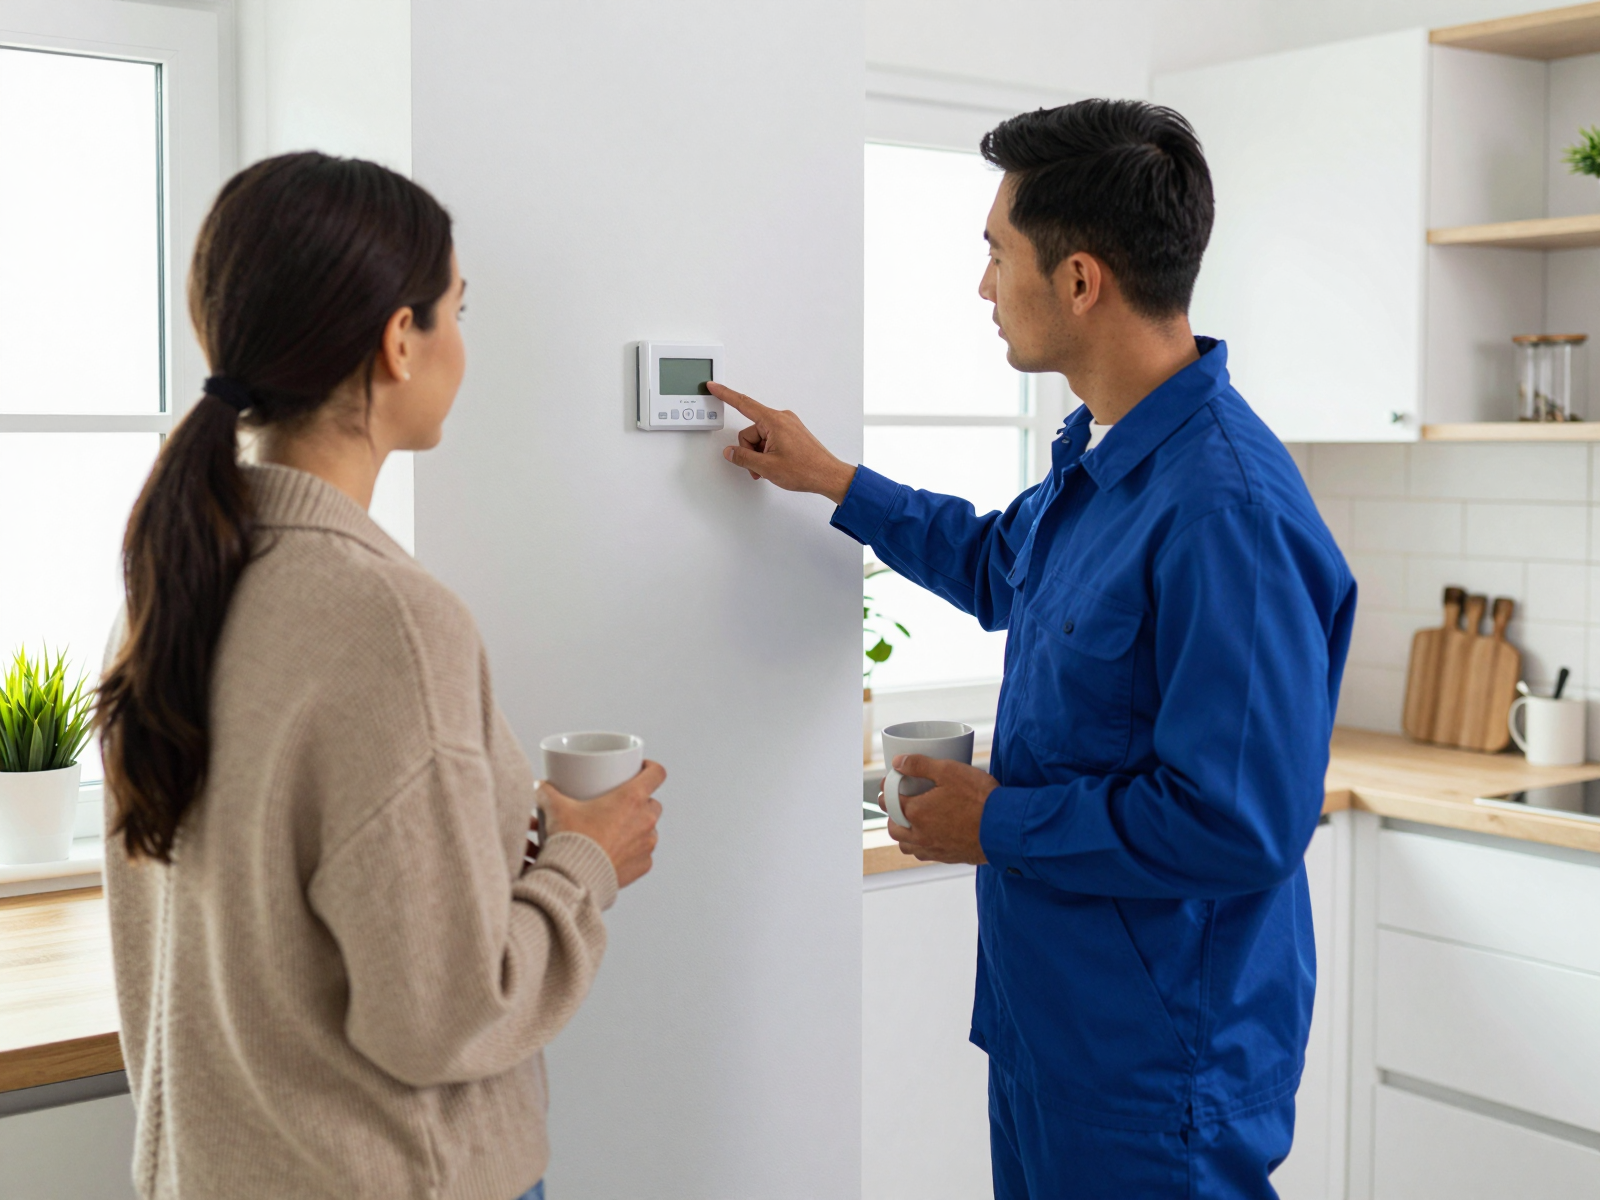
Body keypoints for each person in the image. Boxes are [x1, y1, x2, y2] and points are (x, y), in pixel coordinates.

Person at [712, 100, 1355, 1198]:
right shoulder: (1105, 456)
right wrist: (833, 480)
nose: (983, 286)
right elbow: (996, 563)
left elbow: (1238, 822)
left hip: (1158, 1070)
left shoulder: (1226, 512)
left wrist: (995, 821)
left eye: (997, 254)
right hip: (1052, 1032)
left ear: (1079, 280)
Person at [97, 152, 664, 1200]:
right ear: (400, 340)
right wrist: (586, 863)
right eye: (458, 309)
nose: (463, 342)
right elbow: (445, 1017)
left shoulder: (168, 589)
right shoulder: (391, 621)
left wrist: (496, 839)